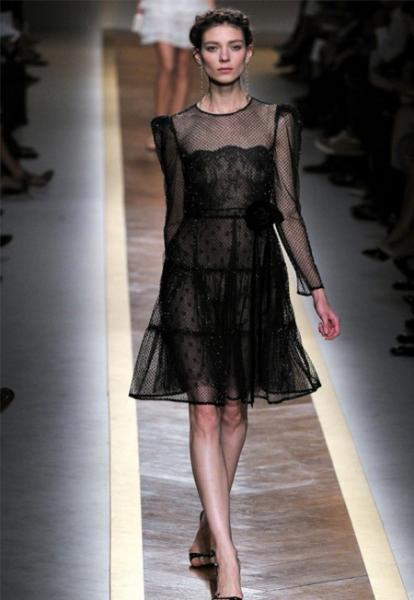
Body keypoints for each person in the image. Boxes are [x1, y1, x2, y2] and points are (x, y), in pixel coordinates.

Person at [129, 8, 341, 599]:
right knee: (203, 411)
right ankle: (228, 556)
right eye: (213, 47)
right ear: (198, 56)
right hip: (192, 278)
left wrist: (316, 288)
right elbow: (175, 216)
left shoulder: (276, 121)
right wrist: (170, 291)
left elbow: (289, 210)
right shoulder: (175, 128)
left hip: (254, 276)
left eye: (234, 46)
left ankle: (208, 521)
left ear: (248, 52)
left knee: (232, 412)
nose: (224, 56)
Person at [135, 0, 216, 150]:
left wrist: (211, 7)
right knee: (167, 65)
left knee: (183, 67)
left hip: (192, 6)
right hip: (160, 6)